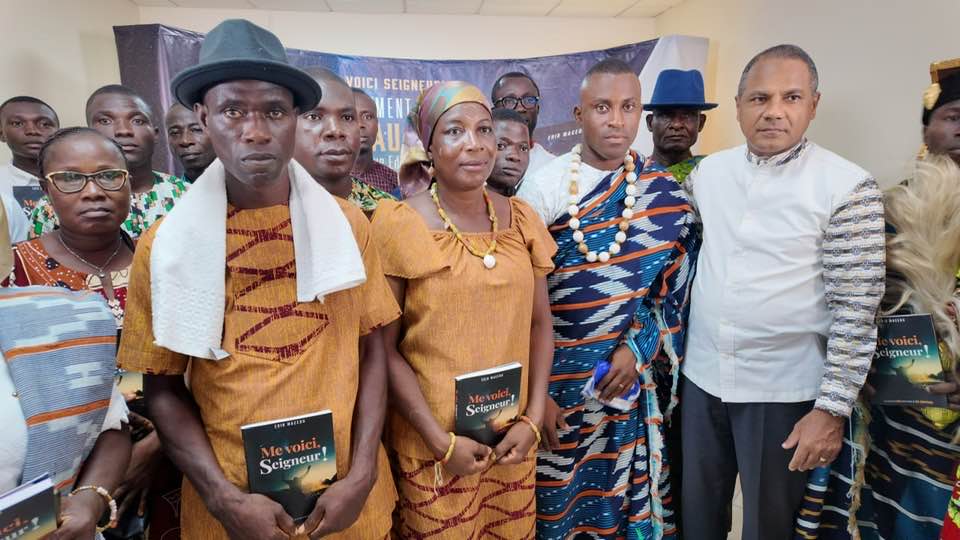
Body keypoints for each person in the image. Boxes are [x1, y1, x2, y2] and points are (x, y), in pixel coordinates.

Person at [117, 19, 398, 540]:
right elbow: (162, 386)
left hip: (344, 500)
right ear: (203, 117)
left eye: (273, 110)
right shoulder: (165, 247)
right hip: (237, 509)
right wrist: (222, 498)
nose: (256, 131)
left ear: (294, 118)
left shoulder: (346, 224)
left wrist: (363, 473)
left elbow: (373, 349)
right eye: (232, 111)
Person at [679, 44, 885, 540]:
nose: (773, 111)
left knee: (769, 527)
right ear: (738, 106)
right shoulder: (708, 175)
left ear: (813, 104)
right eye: (759, 98)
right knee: (695, 518)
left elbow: (856, 312)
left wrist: (830, 410)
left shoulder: (847, 187)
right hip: (701, 379)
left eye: (791, 97)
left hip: (782, 391)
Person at [518, 58, 697, 539]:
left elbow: (670, 296)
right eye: (602, 107)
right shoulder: (543, 188)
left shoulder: (666, 197)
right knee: (554, 510)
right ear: (579, 114)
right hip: (553, 384)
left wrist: (635, 351)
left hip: (621, 388)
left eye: (628, 107)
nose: (616, 120)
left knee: (614, 508)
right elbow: (519, 303)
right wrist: (536, 397)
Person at [374, 80, 554, 538]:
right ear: (429, 147)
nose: (474, 144)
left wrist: (533, 420)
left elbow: (539, 325)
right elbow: (383, 348)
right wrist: (439, 442)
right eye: (454, 131)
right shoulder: (400, 224)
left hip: (510, 442)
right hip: (436, 450)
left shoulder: (522, 220)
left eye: (484, 129)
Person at [796, 59, 960, 540]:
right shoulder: (884, 210)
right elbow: (849, 304)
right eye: (952, 116)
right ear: (927, 128)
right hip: (892, 420)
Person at [30, 85, 187, 238]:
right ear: (89, 131)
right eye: (105, 121)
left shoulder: (186, 194)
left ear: (155, 133)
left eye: (137, 121)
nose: (123, 130)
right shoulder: (52, 207)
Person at [295, 68, 394, 215]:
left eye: (347, 117)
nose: (335, 130)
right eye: (314, 117)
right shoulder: (263, 208)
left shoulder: (389, 214)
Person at [644, 69, 717, 183]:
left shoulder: (713, 175)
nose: (677, 125)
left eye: (687, 116)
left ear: (701, 123)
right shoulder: (631, 177)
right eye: (666, 115)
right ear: (650, 123)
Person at [491, 72, 554, 177]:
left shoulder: (553, 167)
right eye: (510, 101)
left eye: (529, 100)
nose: (520, 108)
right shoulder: (479, 164)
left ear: (537, 109)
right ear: (494, 111)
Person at [0, 96, 58, 195]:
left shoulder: (77, 176)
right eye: (17, 123)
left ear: (58, 133)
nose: (32, 131)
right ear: (1, 134)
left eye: (44, 124)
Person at [350, 88, 399, 194]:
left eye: (367, 117)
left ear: (377, 124)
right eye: (350, 117)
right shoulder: (324, 180)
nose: (360, 124)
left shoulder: (393, 181)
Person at [165, 102, 216, 183]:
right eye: (175, 133)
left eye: (197, 130)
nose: (185, 141)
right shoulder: (168, 190)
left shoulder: (236, 187)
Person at [486, 108, 530, 197]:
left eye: (523, 148)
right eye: (501, 146)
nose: (515, 156)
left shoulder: (529, 204)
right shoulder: (459, 201)